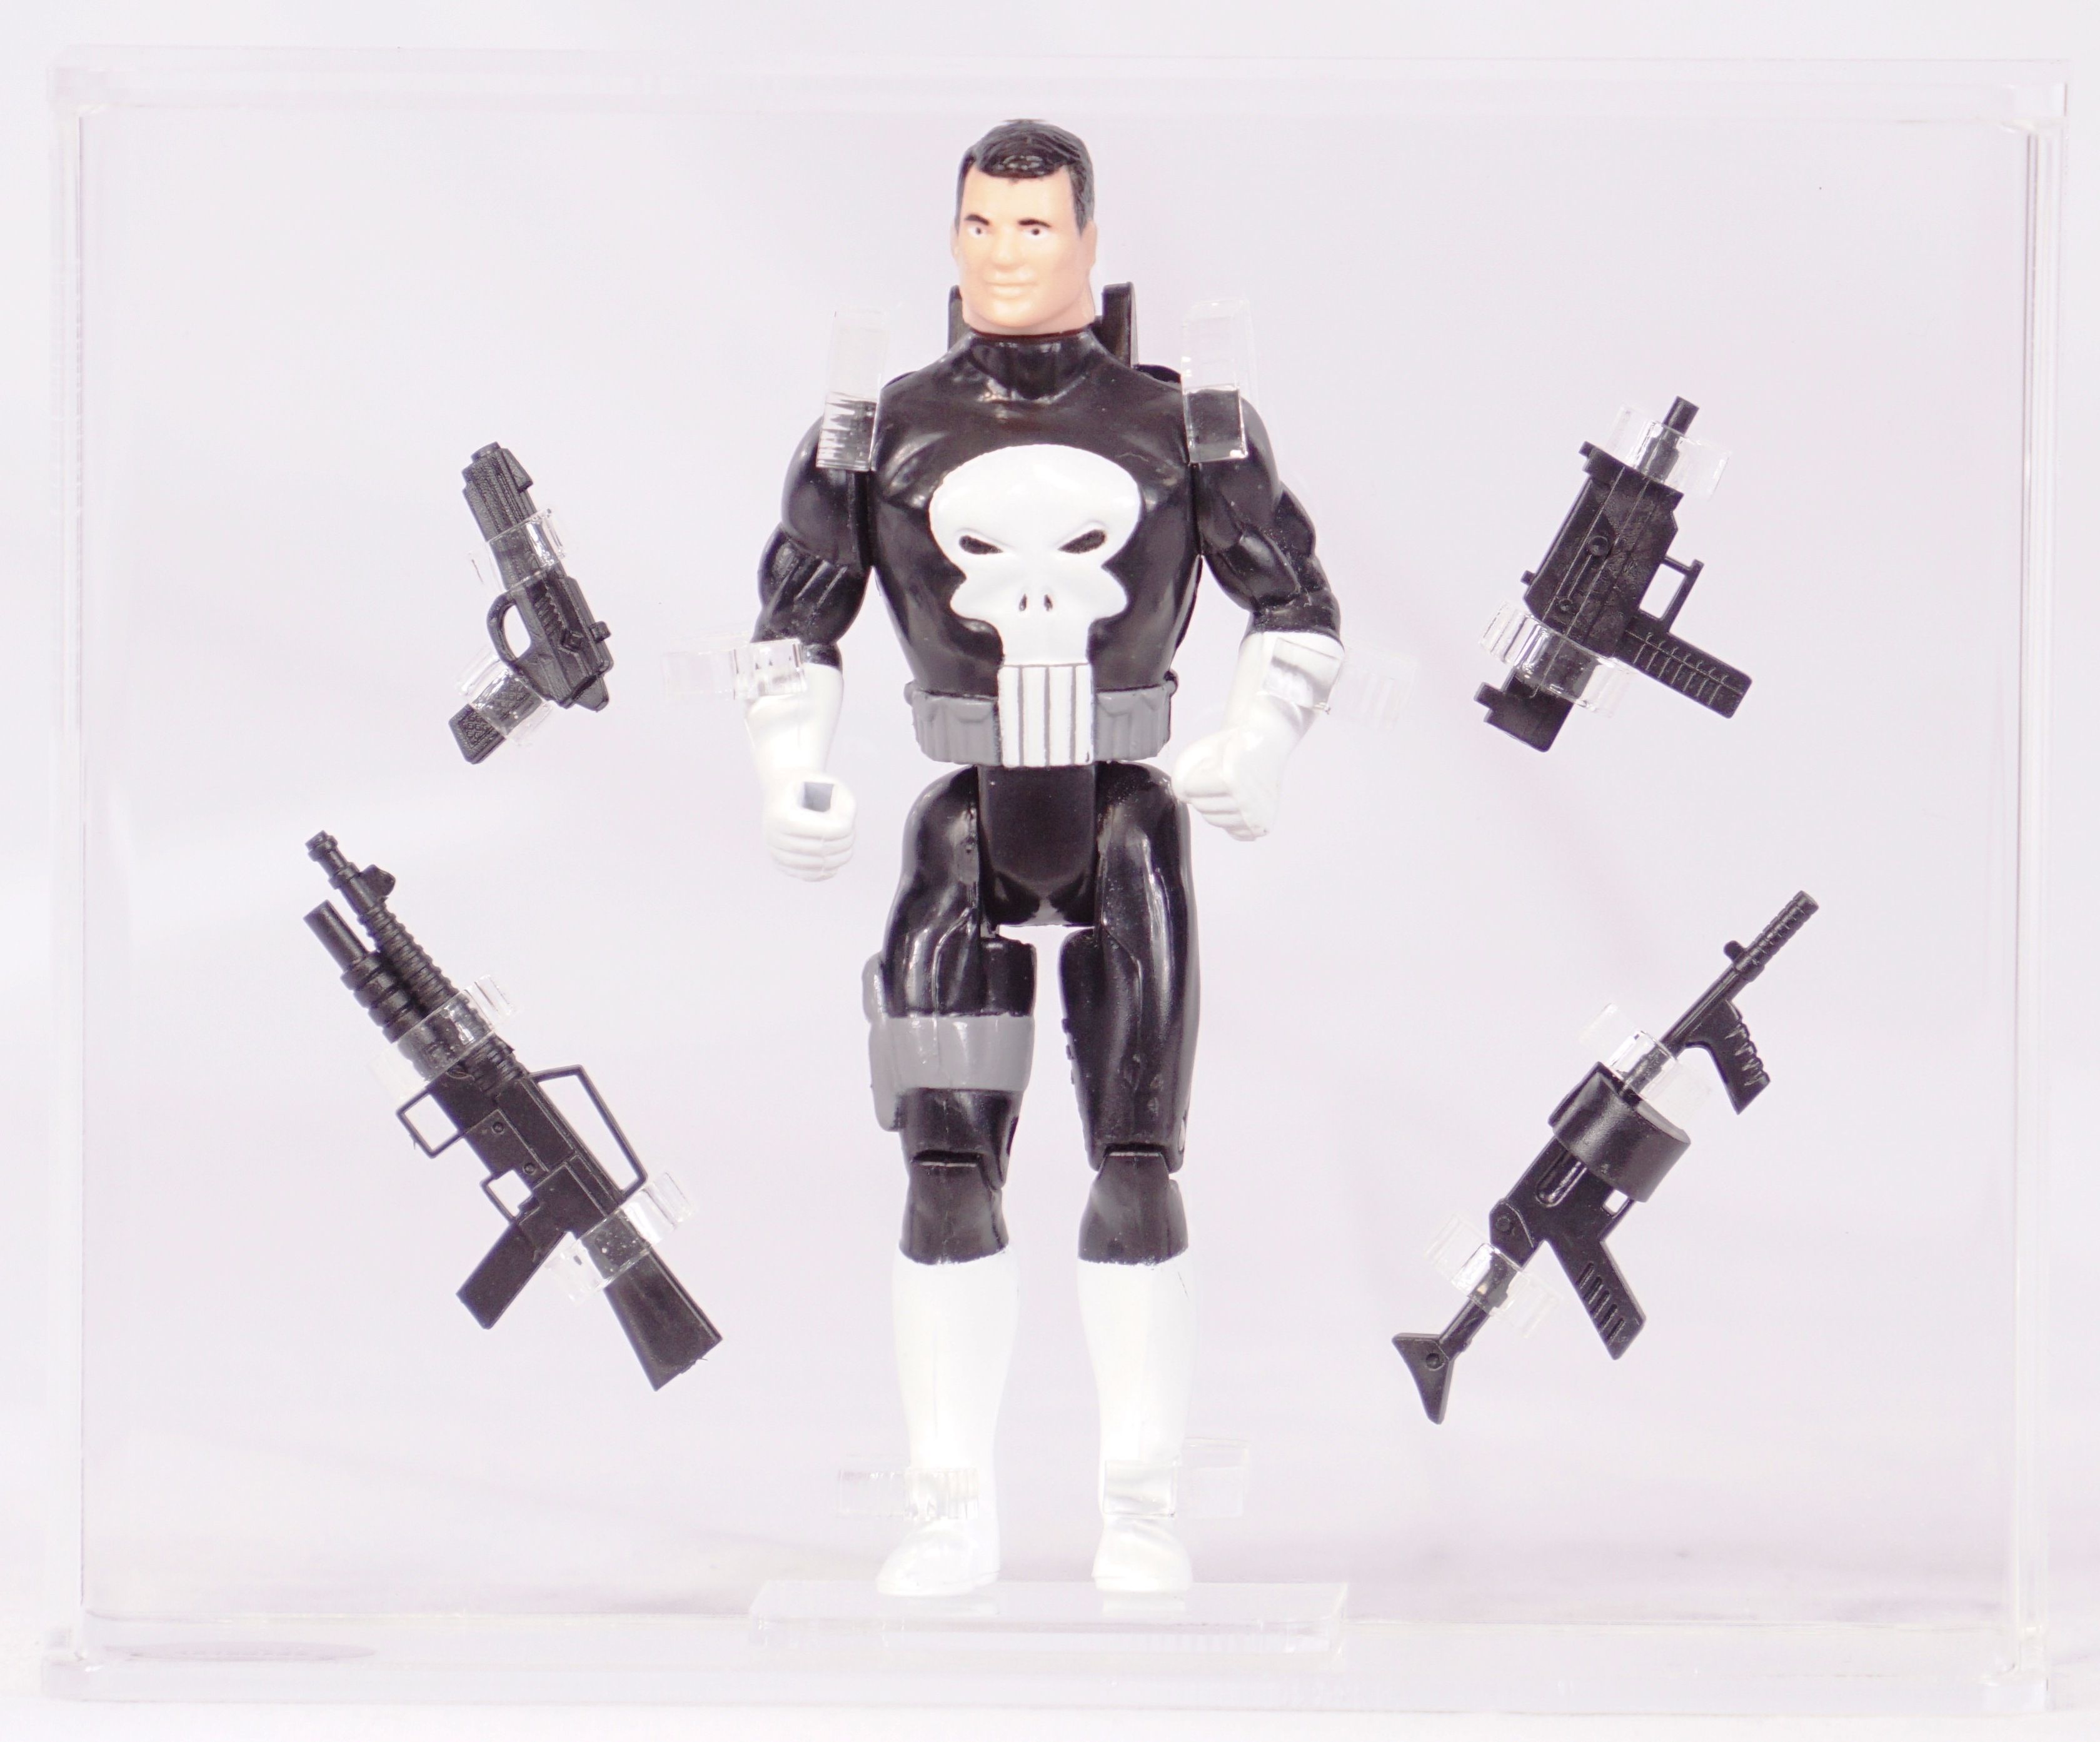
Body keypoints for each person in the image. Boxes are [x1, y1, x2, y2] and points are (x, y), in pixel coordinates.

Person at [743, 119, 1343, 1596]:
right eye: (981, 226)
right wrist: (786, 763)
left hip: (1129, 821)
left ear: (1087, 238)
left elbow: (1296, 605)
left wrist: (1260, 739)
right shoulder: (878, 433)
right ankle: (949, 1503)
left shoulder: (1186, 426)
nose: (1005, 255)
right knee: (945, 1164)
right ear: (951, 234)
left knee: (1137, 1159)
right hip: (962, 828)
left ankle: (1142, 1503)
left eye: (1033, 228)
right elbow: (795, 620)